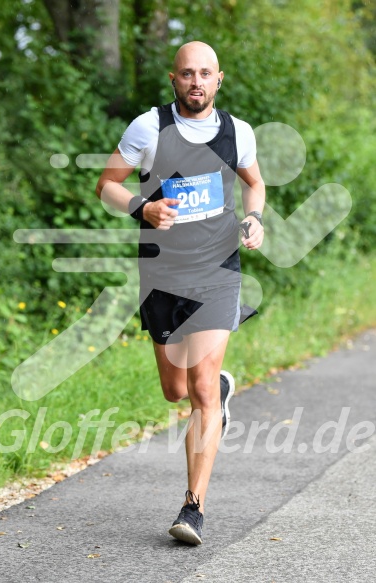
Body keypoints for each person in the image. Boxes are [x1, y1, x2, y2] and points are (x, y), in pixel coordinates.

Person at [96, 41, 265, 545]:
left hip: (217, 271)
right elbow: (107, 184)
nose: (196, 82)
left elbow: (253, 183)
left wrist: (253, 217)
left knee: (202, 391)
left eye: (205, 74)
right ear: (174, 79)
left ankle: (193, 508)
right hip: (162, 276)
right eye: (187, 73)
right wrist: (140, 209)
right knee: (175, 390)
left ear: (219, 79)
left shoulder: (238, 132)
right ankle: (216, 393)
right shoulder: (149, 127)